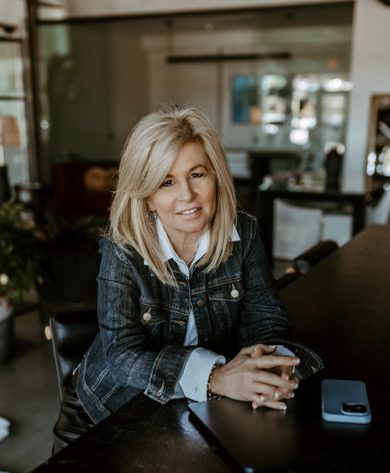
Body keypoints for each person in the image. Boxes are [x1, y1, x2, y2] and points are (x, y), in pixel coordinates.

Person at [53, 104, 322, 453]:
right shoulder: (123, 249)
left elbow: (267, 318)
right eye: (167, 182)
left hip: (193, 406)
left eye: (197, 175)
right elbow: (121, 356)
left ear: (216, 176)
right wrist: (217, 377)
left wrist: (270, 367)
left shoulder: (243, 233)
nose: (187, 196)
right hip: (106, 409)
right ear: (148, 196)